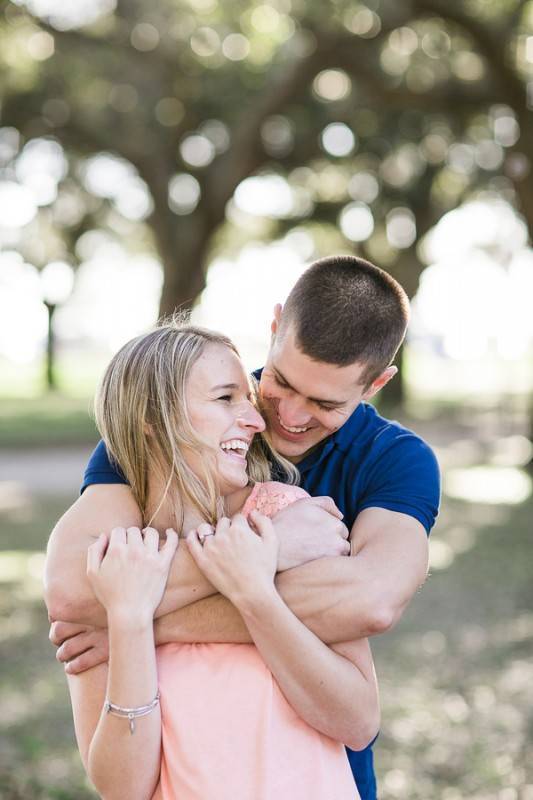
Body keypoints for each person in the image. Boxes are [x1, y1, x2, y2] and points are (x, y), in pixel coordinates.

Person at [46, 254, 440, 800]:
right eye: (279, 383)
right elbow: (72, 594)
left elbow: (368, 600)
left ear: (376, 383)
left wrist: (138, 618)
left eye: (325, 403)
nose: (285, 418)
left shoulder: (390, 462)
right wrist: (264, 553)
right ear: (275, 326)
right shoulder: (161, 432)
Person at [64, 321, 379, 799]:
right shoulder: (114, 561)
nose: (256, 421)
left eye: (249, 400)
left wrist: (255, 592)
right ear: (155, 416)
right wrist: (128, 621)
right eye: (225, 399)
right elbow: (122, 789)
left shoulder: (288, 518)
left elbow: (358, 723)